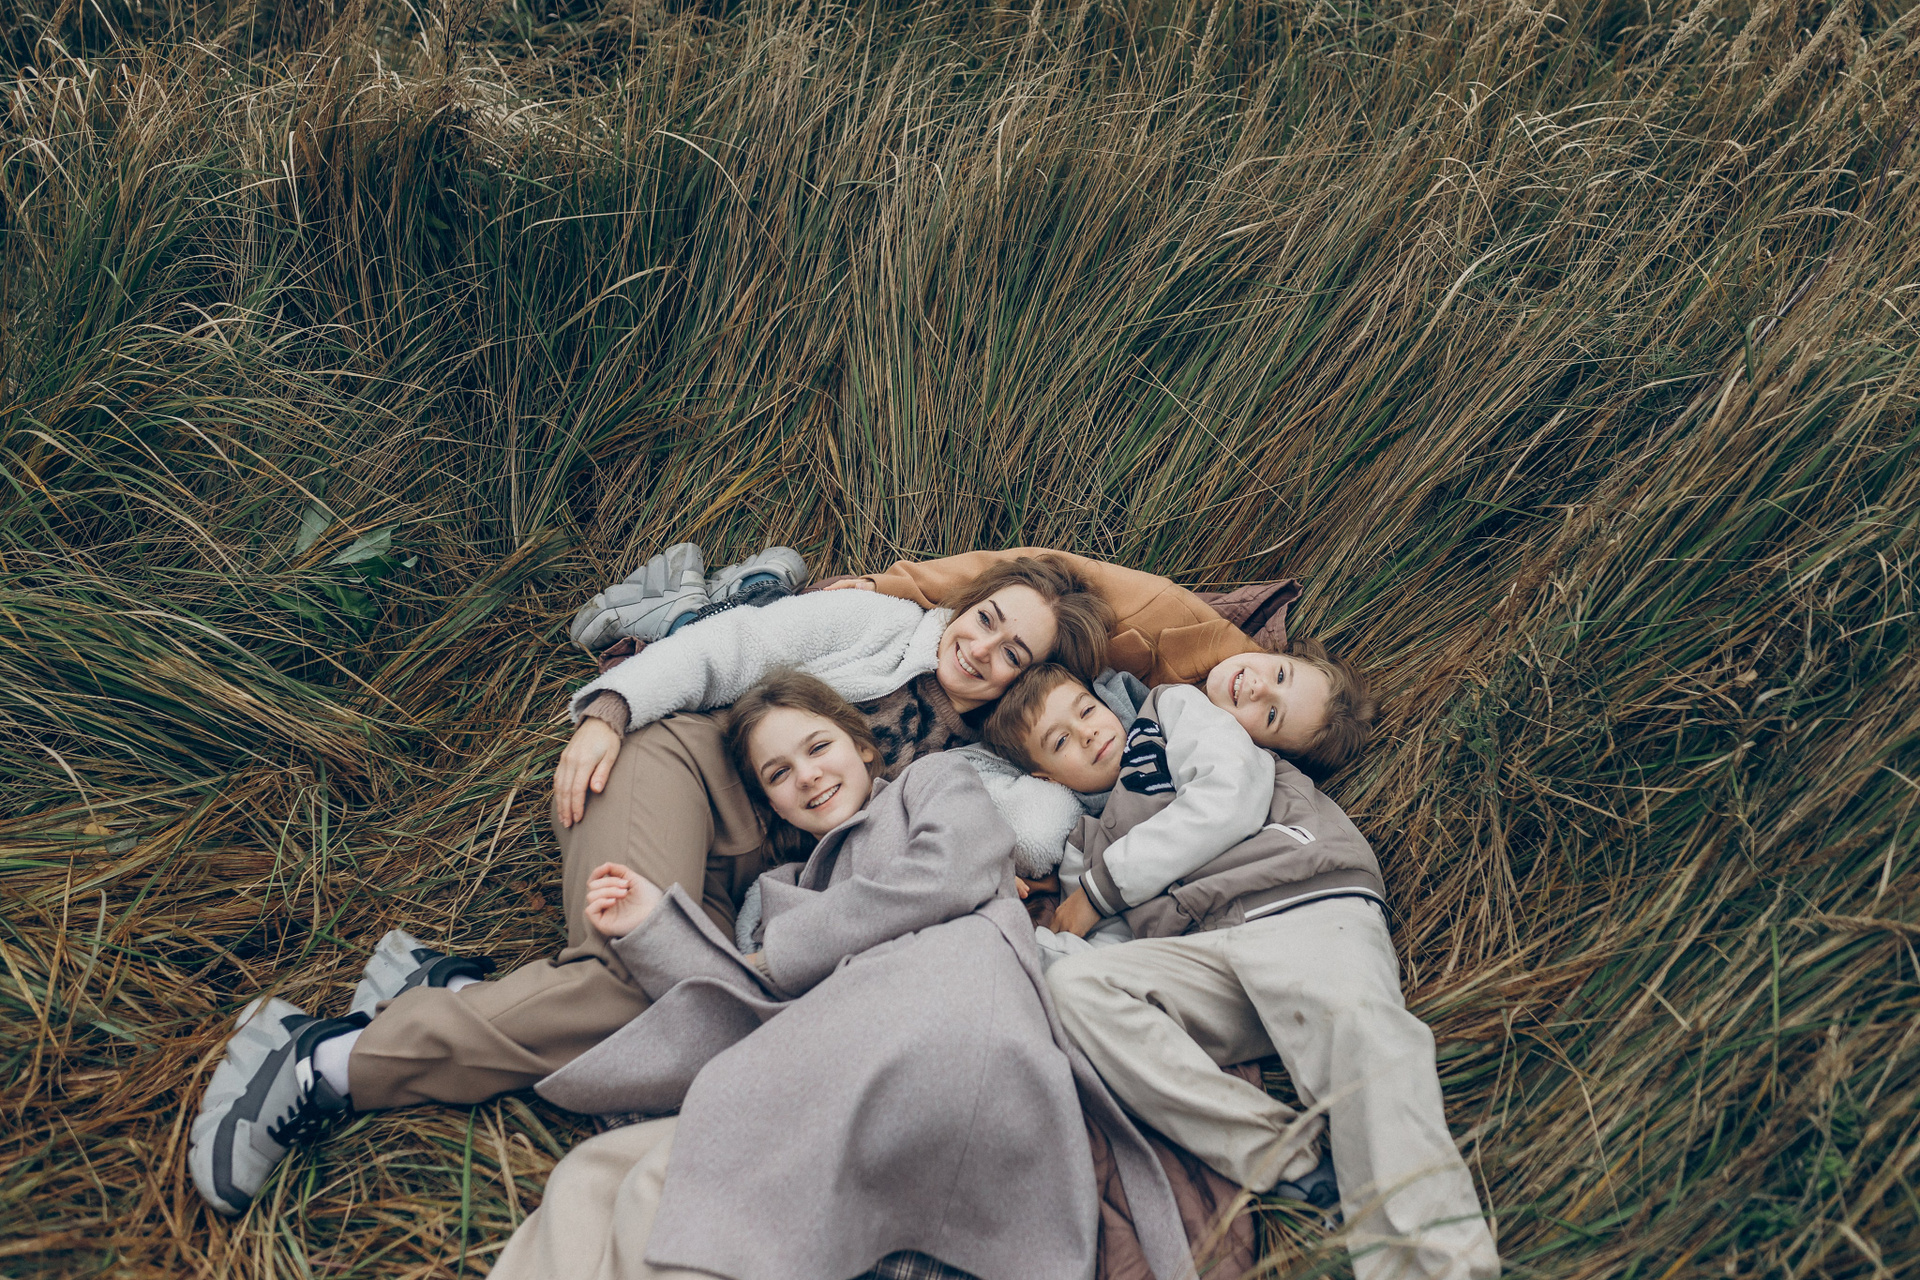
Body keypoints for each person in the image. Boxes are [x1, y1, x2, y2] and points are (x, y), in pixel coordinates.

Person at [186, 548, 1114, 1214]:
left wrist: (1036, 808)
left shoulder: (976, 767)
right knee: (625, 981)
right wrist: (610, 712)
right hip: (677, 771)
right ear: (967, 606)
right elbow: (734, 647)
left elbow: (1029, 834)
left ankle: (445, 993)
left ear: (1027, 681)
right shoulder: (883, 628)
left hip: (740, 882)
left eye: (1015, 655)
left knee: (692, 1017)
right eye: (987, 620)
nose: (983, 650)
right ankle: (322, 1062)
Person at [489, 672, 1192, 1280]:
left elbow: (954, 870)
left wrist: (787, 953)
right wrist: (655, 927)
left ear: (862, 747)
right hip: (842, 1040)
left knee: (665, 1181)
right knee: (592, 1175)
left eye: (818, 747)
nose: (806, 776)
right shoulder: (783, 890)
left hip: (949, 1008)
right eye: (778, 774)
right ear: (772, 804)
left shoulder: (931, 782)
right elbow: (751, 1000)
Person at [988, 663, 1501, 1278]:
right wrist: (1033, 939)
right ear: (1045, 778)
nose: (1089, 733)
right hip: (1211, 959)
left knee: (1365, 1035)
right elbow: (1106, 943)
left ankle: (1442, 1263)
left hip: (1301, 907)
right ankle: (1285, 1160)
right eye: (1061, 741)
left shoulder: (1168, 712)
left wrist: (1100, 892)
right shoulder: (1081, 843)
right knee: (1074, 989)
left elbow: (1229, 794)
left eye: (1087, 711)